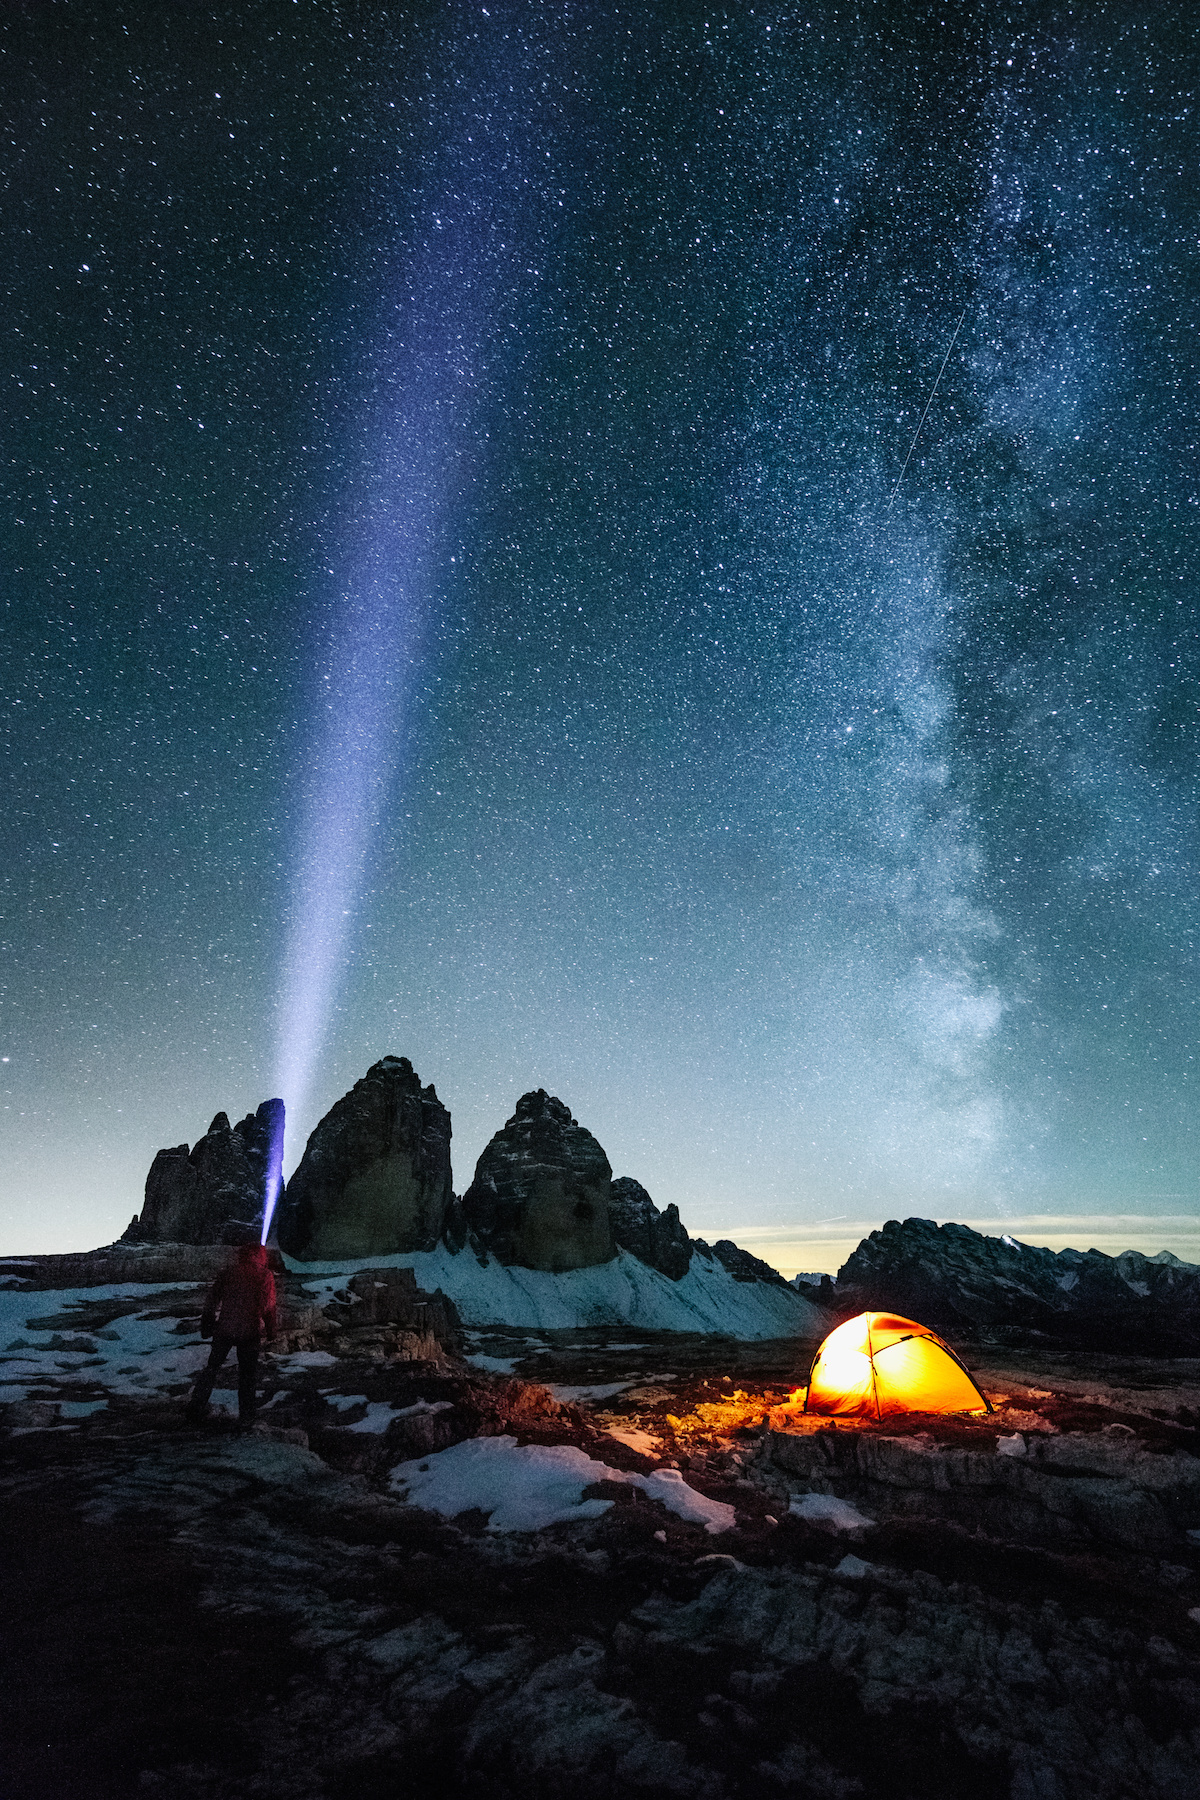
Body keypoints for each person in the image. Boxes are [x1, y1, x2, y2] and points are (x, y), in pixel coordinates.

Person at [186, 1240, 277, 1426]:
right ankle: (247, 1417)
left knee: (212, 1368)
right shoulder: (264, 1275)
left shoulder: (228, 1273)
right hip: (249, 1331)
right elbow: (268, 1306)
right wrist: (271, 1331)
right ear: (260, 1256)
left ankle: (196, 1408)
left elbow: (211, 1301)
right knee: (247, 1376)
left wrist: (207, 1327)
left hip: (225, 1328)